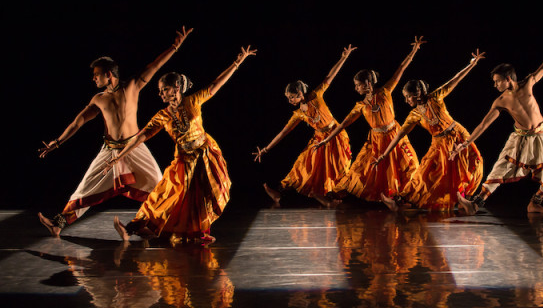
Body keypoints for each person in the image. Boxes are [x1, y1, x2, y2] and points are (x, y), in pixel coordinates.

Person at [37, 26, 194, 237]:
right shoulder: (98, 99)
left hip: (134, 147)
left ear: (108, 74)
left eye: (97, 75)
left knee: (159, 183)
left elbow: (155, 66)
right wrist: (58, 141)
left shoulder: (132, 86)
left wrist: (175, 47)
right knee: (85, 187)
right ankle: (59, 223)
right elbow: (78, 122)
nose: (94, 79)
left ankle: (160, 224)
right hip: (109, 150)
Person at [109, 45, 256, 244]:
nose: (161, 94)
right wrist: (120, 154)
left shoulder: (193, 101)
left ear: (176, 88)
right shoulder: (163, 115)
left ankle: (198, 233)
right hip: (184, 160)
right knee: (166, 194)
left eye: (165, 90)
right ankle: (135, 226)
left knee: (204, 195)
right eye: (160, 91)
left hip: (205, 154)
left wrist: (237, 62)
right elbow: (141, 136)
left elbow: (215, 84)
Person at [451, 29, 543, 215]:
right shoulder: (500, 101)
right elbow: (483, 124)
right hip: (520, 139)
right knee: (502, 167)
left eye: (497, 81)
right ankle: (475, 204)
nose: (495, 85)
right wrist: (465, 144)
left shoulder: (528, 83)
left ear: (508, 79)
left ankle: (535, 202)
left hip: (542, 135)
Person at [314, 37, 424, 203]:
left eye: (358, 85)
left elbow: (400, 69)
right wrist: (327, 140)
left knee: (407, 165)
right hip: (376, 139)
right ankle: (336, 195)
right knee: (361, 168)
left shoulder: (385, 92)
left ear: (367, 84)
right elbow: (344, 123)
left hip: (394, 134)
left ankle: (405, 196)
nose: (356, 88)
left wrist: (414, 51)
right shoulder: (360, 105)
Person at [375, 49, 486, 211]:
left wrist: (471, 64)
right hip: (439, 143)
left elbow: (454, 80)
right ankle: (402, 200)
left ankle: (464, 201)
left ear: (418, 94)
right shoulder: (414, 115)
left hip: (458, 135)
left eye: (408, 97)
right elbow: (400, 135)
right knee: (426, 172)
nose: (406, 101)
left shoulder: (436, 97)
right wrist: (384, 154)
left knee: (469, 164)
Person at [253, 45, 356, 207]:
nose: (290, 101)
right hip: (319, 138)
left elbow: (330, 76)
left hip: (335, 135)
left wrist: (344, 57)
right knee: (302, 165)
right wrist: (266, 148)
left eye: (292, 97)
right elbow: (283, 133)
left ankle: (332, 197)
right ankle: (280, 191)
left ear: (300, 94)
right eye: (288, 98)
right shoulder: (298, 114)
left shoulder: (316, 95)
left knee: (336, 168)